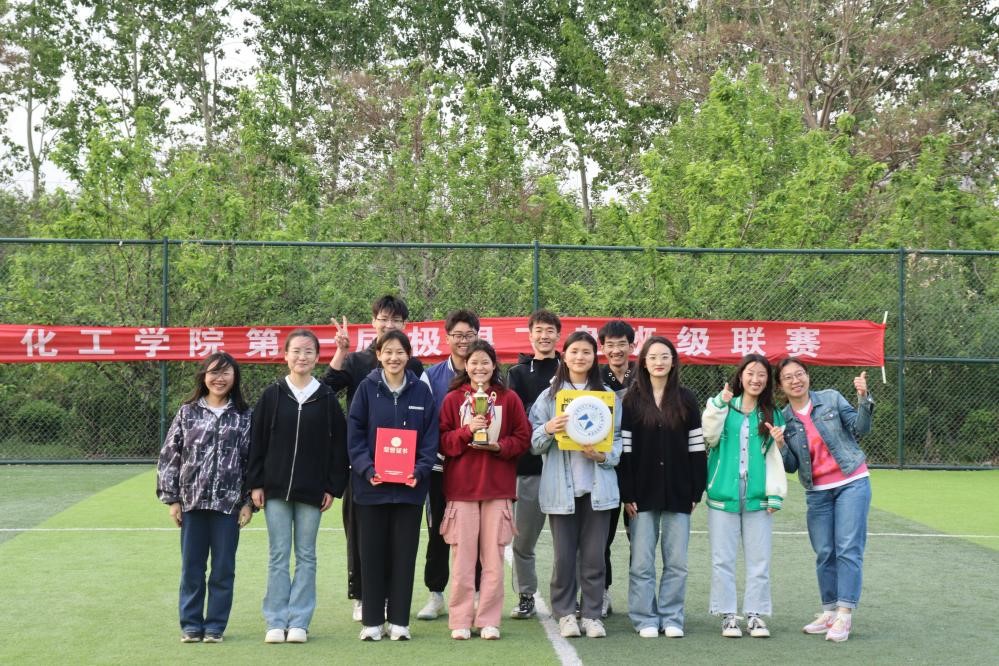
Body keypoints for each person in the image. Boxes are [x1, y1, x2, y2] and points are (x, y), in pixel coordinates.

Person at [324, 295, 426, 622]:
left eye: (396, 320)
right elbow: (328, 388)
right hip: (363, 465)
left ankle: (393, 600)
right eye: (384, 318)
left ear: (405, 326)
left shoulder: (413, 366)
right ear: (373, 322)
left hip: (403, 466)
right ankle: (362, 596)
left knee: (397, 537)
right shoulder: (356, 361)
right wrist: (340, 350)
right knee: (360, 533)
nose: (389, 325)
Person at [248, 329, 349, 644]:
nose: (302, 357)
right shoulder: (272, 394)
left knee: (306, 555)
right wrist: (255, 483)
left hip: (312, 492)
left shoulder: (327, 398)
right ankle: (276, 621)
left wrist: (332, 487)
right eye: (296, 351)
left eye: (308, 351)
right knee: (278, 555)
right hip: (275, 490)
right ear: (286, 355)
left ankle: (300, 622)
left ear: (317, 358)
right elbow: (256, 441)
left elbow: (339, 446)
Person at [529, 331, 623, 639]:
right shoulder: (549, 398)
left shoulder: (607, 397)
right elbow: (533, 443)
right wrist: (548, 428)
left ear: (595, 358)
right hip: (560, 491)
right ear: (564, 356)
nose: (580, 357)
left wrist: (602, 455)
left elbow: (618, 441)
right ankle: (566, 613)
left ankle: (592, 614)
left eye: (586, 352)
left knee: (595, 557)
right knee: (564, 557)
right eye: (574, 352)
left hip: (599, 490)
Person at [347, 330, 439, 642]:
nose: (394, 357)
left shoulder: (421, 391)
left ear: (408, 355)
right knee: (371, 555)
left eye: (400, 352)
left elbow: (431, 437)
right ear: (378, 355)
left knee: (404, 556)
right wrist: (367, 468)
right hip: (371, 489)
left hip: (409, 490)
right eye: (387, 352)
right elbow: (355, 435)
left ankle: (399, 621)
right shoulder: (366, 388)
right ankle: (372, 622)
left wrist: (420, 470)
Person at [157, 352, 254, 644]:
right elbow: (170, 456)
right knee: (192, 568)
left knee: (223, 569)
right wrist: (173, 499)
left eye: (226, 373)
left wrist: (248, 502)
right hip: (192, 503)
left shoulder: (244, 415)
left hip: (228, 506)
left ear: (235, 378)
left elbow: (252, 461)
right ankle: (190, 625)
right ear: (203, 376)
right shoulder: (187, 412)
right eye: (213, 372)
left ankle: (215, 626)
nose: (219, 379)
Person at [438, 340, 531, 640]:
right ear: (465, 366)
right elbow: (443, 442)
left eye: (485, 362)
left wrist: (499, 447)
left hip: (497, 488)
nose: (479, 367)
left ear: (494, 365)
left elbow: (523, 438)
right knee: (462, 561)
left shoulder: (509, 399)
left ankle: (489, 620)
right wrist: (467, 431)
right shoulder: (453, 399)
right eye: (474, 362)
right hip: (462, 489)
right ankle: (460, 620)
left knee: (493, 560)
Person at [777, 360, 874, 643]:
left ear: (808, 377)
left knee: (848, 549)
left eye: (799, 374)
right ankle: (829, 612)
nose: (795, 381)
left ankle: (844, 614)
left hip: (851, 482)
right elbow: (792, 466)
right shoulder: (784, 418)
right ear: (780, 385)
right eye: (788, 377)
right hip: (817, 491)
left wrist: (863, 397)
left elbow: (861, 428)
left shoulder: (831, 398)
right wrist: (780, 445)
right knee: (824, 552)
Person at [618, 336, 705, 639]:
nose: (659, 362)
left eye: (665, 356)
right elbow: (625, 451)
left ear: (673, 361)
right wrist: (627, 493)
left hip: (679, 491)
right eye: (653, 357)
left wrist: (696, 490)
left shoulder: (686, 399)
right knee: (642, 562)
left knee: (676, 562)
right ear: (643, 362)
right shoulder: (630, 400)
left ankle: (672, 617)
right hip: (640, 494)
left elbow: (696, 447)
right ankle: (644, 618)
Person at [702, 353, 786, 639]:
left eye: (762, 374)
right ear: (741, 376)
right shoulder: (724, 405)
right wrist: (719, 404)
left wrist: (775, 493)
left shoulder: (773, 414)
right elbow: (708, 435)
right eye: (751, 373)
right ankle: (727, 616)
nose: (756, 379)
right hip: (723, 492)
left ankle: (755, 615)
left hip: (758, 495)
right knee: (722, 559)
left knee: (759, 559)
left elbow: (776, 458)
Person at [417, 309, 480, 621]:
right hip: (440, 468)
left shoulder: (486, 372)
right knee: (439, 531)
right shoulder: (431, 376)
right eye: (457, 335)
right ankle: (436, 594)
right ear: (447, 338)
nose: (463, 341)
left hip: (476, 468)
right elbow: (425, 422)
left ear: (478, 336)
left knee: (476, 533)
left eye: (469, 335)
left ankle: (477, 595)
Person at [507, 309, 561, 620]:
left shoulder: (570, 369)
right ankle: (526, 595)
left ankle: (565, 597)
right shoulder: (517, 373)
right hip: (529, 469)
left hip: (564, 467)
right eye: (538, 330)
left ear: (558, 335)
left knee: (566, 542)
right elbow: (516, 415)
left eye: (549, 330)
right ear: (530, 336)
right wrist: (547, 418)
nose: (544, 336)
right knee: (523, 540)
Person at [596, 319, 636, 617]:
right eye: (610, 345)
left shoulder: (644, 375)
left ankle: (640, 595)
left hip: (638, 467)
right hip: (607, 465)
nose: (616, 350)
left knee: (640, 537)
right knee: (602, 536)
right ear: (603, 348)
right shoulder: (596, 378)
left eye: (622, 344)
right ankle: (602, 591)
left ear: (631, 346)